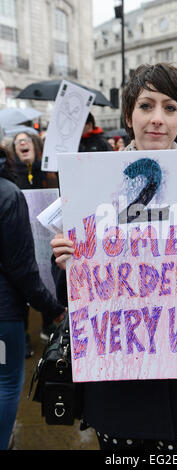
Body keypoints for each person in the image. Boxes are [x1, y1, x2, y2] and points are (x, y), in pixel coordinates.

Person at [51, 63, 177, 450]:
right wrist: (66, 262)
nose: (157, 119)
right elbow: (66, 297)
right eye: (146, 105)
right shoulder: (90, 183)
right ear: (128, 115)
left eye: (170, 108)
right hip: (116, 383)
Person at [0, 145, 66, 450]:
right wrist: (52, 308)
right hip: (3, 319)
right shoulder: (8, 194)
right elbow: (22, 268)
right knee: (6, 381)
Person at [12, 131, 58, 357]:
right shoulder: (11, 174)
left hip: (45, 234)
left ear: (35, 145)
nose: (22, 142)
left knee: (48, 277)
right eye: (17, 141)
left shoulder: (47, 170)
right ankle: (24, 338)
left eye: (26, 139)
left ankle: (50, 325)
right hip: (21, 235)